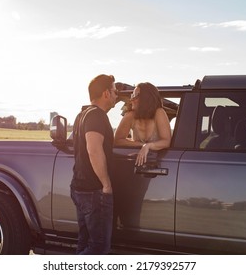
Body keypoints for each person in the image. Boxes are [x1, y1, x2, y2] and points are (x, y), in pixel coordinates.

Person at [70, 74, 117, 255]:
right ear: (106, 93)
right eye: (114, 91)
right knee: (98, 248)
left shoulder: (82, 115)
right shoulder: (97, 116)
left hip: (80, 188)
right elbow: (94, 149)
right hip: (94, 191)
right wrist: (106, 184)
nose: (116, 96)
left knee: (84, 244)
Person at [114, 82, 171, 166]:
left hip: (158, 164)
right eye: (132, 96)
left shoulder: (159, 112)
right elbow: (117, 140)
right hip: (134, 163)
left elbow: (166, 141)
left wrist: (148, 146)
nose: (131, 99)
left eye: (135, 96)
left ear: (146, 98)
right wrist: (142, 145)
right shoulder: (130, 115)